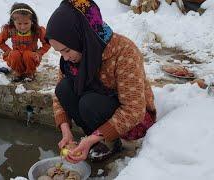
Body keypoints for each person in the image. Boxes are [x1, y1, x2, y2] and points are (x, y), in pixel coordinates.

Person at [46, 0, 157, 164]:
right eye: (60, 52)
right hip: (99, 106)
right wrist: (66, 130)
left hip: (133, 122)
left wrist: (91, 139)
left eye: (67, 50)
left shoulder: (124, 51)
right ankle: (98, 137)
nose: (65, 57)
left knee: (88, 103)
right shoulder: (73, 58)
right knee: (64, 89)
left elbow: (134, 110)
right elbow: (59, 96)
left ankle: (110, 141)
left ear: (82, 36)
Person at [0, 3, 51, 82]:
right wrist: (8, 51)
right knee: (15, 54)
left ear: (32, 21)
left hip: (31, 58)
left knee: (27, 55)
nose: (23, 27)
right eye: (19, 23)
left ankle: (30, 73)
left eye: (26, 23)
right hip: (16, 58)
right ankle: (18, 72)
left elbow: (47, 43)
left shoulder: (37, 30)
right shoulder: (10, 30)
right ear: (13, 22)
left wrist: (39, 53)